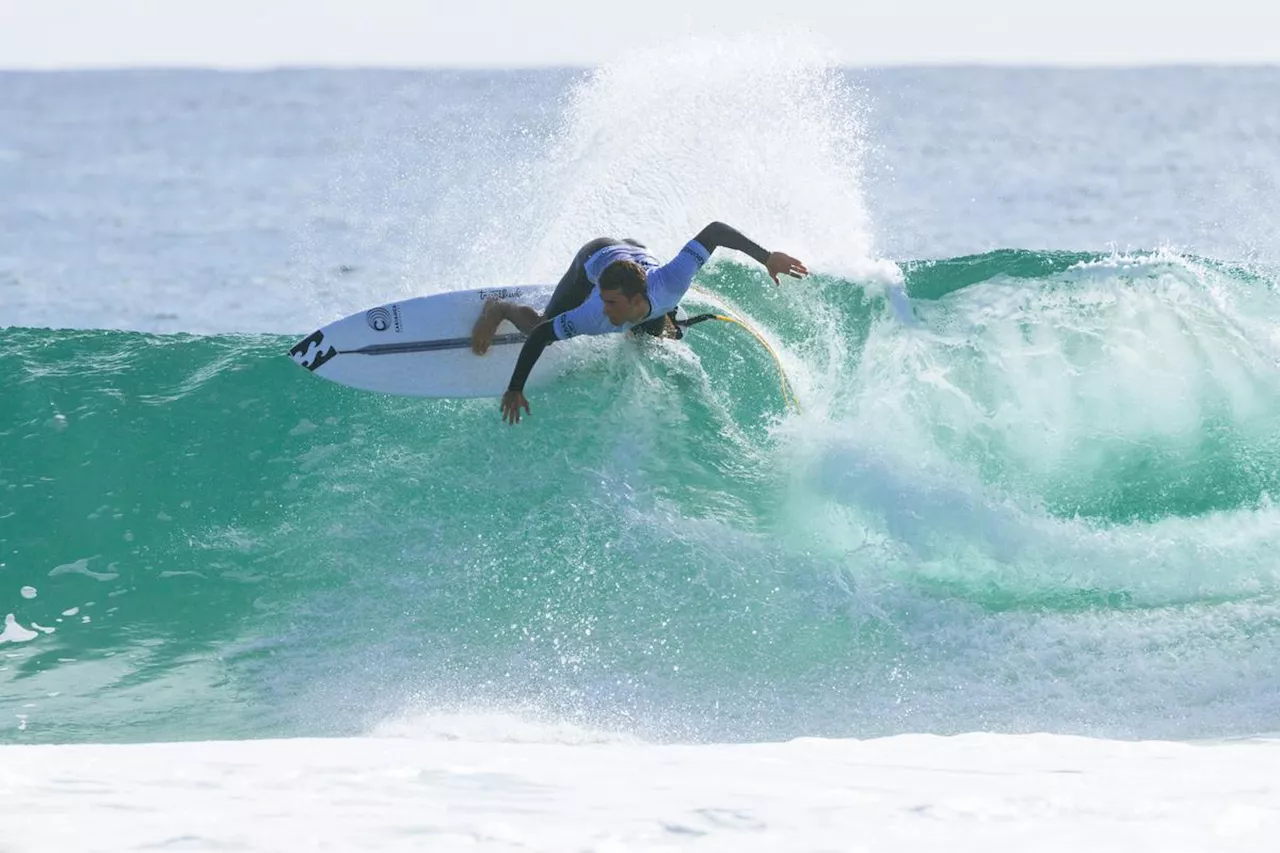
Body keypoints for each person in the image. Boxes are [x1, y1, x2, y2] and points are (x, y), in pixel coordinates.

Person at [470, 221, 808, 425]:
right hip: (595, 256)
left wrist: (767, 258)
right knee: (540, 323)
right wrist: (515, 387)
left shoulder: (671, 283)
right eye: (603, 302)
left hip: (637, 255)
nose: (604, 310)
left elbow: (716, 232)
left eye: (611, 303)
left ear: (635, 299)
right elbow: (542, 334)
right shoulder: (594, 313)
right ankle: (499, 308)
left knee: (653, 335)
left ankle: (642, 314)